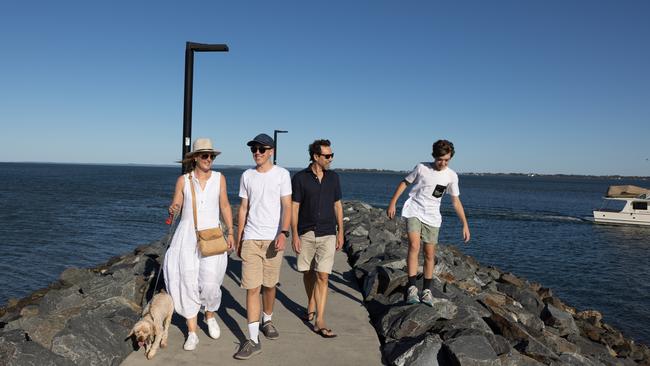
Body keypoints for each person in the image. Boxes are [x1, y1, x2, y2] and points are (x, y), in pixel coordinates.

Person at [163, 138, 235, 351]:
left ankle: (210, 314)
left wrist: (231, 231)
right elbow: (176, 203)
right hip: (186, 236)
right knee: (186, 282)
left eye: (211, 156)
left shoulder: (219, 179)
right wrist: (173, 208)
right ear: (195, 158)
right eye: (204, 155)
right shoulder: (183, 180)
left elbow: (224, 205)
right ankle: (192, 332)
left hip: (212, 235)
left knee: (211, 283)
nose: (209, 159)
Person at [386, 139, 470, 306]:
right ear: (434, 156)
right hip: (414, 210)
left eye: (447, 160)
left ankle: (426, 291)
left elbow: (455, 201)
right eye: (440, 159)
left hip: (432, 217)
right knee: (414, 246)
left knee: (430, 254)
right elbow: (405, 182)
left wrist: (465, 224)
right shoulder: (421, 168)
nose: (443, 163)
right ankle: (411, 288)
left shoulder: (451, 176)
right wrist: (393, 202)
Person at [234, 133, 292, 360]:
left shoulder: (282, 175)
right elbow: (243, 208)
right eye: (253, 149)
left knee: (269, 286)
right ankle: (252, 339)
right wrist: (239, 237)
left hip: (272, 239)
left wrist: (284, 233)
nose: (257, 152)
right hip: (251, 239)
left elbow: (287, 206)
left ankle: (267, 319)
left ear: (271, 151)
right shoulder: (247, 175)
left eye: (261, 149)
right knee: (252, 288)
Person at [290, 139, 343, 338]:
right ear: (316, 157)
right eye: (327, 156)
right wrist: (294, 234)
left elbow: (338, 205)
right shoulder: (300, 178)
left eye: (331, 155)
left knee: (323, 276)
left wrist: (341, 232)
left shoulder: (334, 178)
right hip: (306, 232)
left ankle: (320, 319)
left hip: (328, 232)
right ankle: (311, 302)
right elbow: (294, 207)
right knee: (307, 272)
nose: (331, 159)